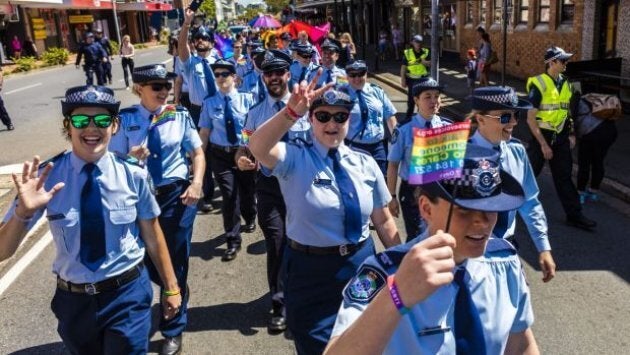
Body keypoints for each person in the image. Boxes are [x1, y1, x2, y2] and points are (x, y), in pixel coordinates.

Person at [0, 85, 182, 353]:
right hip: (74, 302)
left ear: (115, 126)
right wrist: (22, 213)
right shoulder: (45, 178)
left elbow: (153, 236)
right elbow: (3, 251)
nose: (91, 128)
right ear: (68, 126)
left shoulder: (133, 175)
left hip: (127, 294)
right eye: (81, 120)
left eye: (102, 120)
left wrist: (171, 287)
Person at [326, 144, 539, 355]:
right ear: (426, 208)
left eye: (491, 209)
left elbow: (521, 345)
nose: (482, 222)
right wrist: (396, 296)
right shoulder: (385, 273)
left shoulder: (504, 262)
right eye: (465, 211)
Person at [248, 80, 401, 354]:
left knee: (366, 342)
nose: (332, 123)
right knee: (316, 346)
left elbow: (384, 220)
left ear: (349, 120)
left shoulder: (365, 163)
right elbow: (257, 146)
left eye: (340, 116)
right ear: (311, 119)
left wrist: (401, 260)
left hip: (361, 266)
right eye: (323, 116)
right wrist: (290, 113)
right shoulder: (294, 158)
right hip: (310, 270)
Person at [109, 64, 205, 355]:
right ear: (139, 89)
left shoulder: (179, 114)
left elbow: (197, 152)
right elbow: (111, 163)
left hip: (176, 197)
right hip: (138, 198)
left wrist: (197, 182)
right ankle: (168, 292)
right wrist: (130, 157)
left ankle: (173, 329)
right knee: (145, 261)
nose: (163, 92)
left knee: (175, 262)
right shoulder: (125, 120)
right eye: (156, 87)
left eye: (165, 86)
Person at [236, 49, 311, 332]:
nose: (274, 77)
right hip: (269, 187)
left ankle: (302, 298)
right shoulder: (254, 114)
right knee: (277, 243)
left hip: (303, 185)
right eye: (269, 73)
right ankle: (279, 303)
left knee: (306, 245)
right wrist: (241, 159)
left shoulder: (306, 109)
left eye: (279, 72)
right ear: (263, 77)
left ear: (288, 75)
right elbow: (243, 147)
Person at [468, 86, 556, 283]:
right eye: (505, 117)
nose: (514, 122)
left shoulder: (516, 152)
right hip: (469, 256)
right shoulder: (460, 156)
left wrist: (543, 247)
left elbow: (530, 201)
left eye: (515, 115)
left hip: (506, 250)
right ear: (481, 119)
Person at [526, 46, 596, 231]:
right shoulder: (539, 84)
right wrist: (543, 145)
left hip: (561, 137)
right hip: (542, 137)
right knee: (529, 176)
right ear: (551, 62)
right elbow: (530, 118)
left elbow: (568, 112)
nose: (566, 63)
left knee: (564, 177)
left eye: (566, 60)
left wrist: (572, 133)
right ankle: (510, 210)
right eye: (563, 60)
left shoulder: (566, 83)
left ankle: (574, 215)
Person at [198, 59, 257, 262]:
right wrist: (197, 158)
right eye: (217, 75)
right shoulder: (209, 102)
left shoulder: (247, 100)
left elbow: (251, 128)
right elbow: (205, 132)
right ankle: (233, 240)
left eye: (225, 74)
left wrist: (245, 149)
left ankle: (250, 216)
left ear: (234, 77)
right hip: (220, 155)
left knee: (248, 192)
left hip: (244, 152)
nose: (221, 78)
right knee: (229, 195)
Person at [387, 77, 452, 242]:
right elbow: (393, 164)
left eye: (437, 96)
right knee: (417, 237)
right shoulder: (404, 130)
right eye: (427, 96)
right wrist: (392, 197)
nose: (434, 101)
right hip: (413, 191)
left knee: (441, 234)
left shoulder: (447, 128)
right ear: (416, 100)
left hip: (441, 189)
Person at [341, 60, 397, 177]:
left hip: (378, 148)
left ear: (366, 73)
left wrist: (398, 142)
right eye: (352, 75)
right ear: (347, 76)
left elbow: (390, 116)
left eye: (361, 74)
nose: (357, 78)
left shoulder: (376, 90)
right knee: (357, 185)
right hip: (354, 147)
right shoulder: (341, 94)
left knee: (381, 182)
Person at [574, 94, 618, 204]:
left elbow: (572, 119)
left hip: (590, 133)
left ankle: (580, 193)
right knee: (598, 162)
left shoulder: (575, 101)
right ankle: (593, 192)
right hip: (609, 131)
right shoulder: (591, 98)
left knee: (584, 163)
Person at [401, 35, 430, 119]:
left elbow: (431, 63)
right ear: (412, 42)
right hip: (412, 80)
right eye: (417, 42)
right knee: (411, 100)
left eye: (420, 42)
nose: (418, 44)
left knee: (422, 100)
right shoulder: (408, 53)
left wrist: (424, 62)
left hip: (423, 79)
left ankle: (420, 117)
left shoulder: (426, 52)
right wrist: (403, 79)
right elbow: (403, 67)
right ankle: (408, 118)